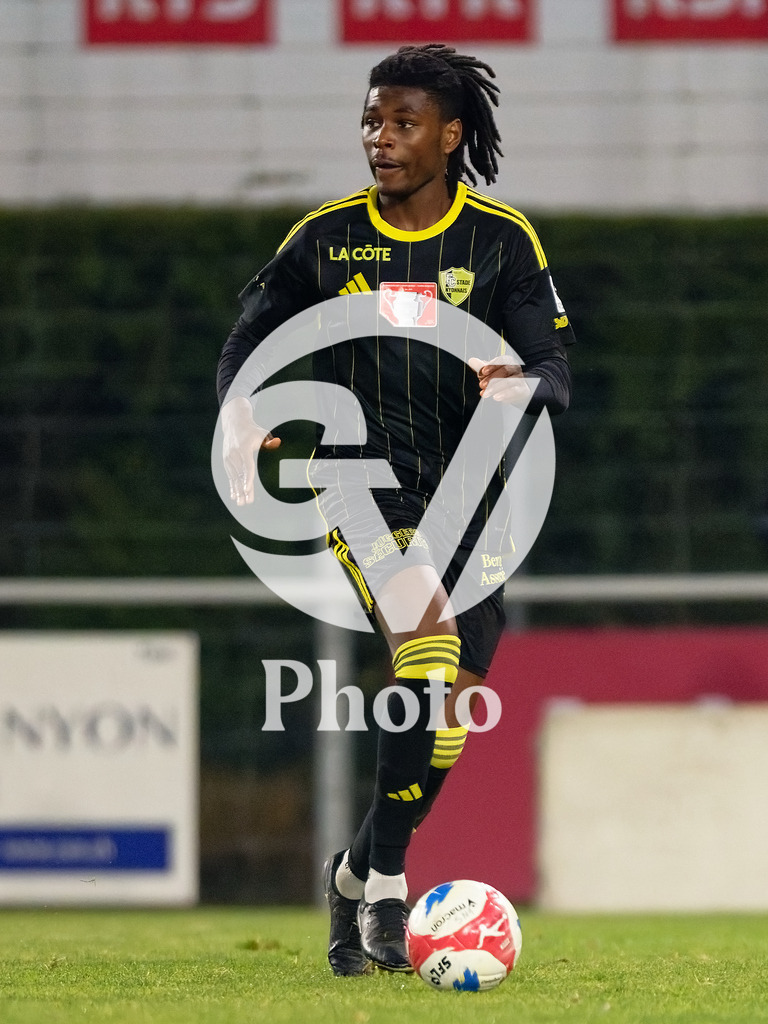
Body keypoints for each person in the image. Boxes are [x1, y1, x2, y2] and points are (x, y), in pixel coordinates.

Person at [217, 43, 575, 976]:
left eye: (403, 122)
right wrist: (241, 408)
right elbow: (248, 338)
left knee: (449, 712)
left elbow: (559, 372)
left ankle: (350, 871)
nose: (381, 138)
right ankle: (386, 893)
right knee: (426, 648)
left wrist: (522, 379)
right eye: (372, 120)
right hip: (361, 484)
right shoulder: (326, 239)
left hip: (478, 506)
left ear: (451, 136)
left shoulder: (501, 241)